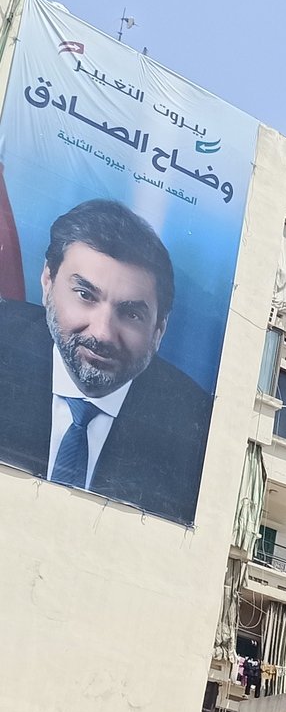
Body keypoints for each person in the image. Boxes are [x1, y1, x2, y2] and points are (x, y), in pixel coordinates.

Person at [0, 198, 213, 527]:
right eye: (85, 295)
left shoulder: (196, 428)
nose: (102, 333)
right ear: (47, 282)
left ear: (159, 330)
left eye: (131, 313)